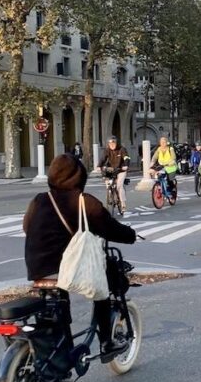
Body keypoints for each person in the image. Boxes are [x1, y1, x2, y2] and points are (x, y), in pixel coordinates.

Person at [23, 154, 137, 364]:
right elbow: (110, 228)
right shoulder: (84, 202)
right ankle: (106, 342)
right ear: (79, 177)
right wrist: (131, 235)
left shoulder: (39, 200)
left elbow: (26, 227)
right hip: (66, 268)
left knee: (54, 306)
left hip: (36, 266)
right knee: (102, 288)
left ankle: (58, 350)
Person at [98, 136, 131, 208]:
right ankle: (110, 194)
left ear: (117, 143)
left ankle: (122, 203)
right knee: (108, 182)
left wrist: (126, 165)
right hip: (111, 169)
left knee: (119, 185)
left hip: (121, 169)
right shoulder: (107, 150)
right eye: (110, 144)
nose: (112, 145)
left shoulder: (122, 149)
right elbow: (102, 158)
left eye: (113, 143)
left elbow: (126, 157)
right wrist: (99, 166)